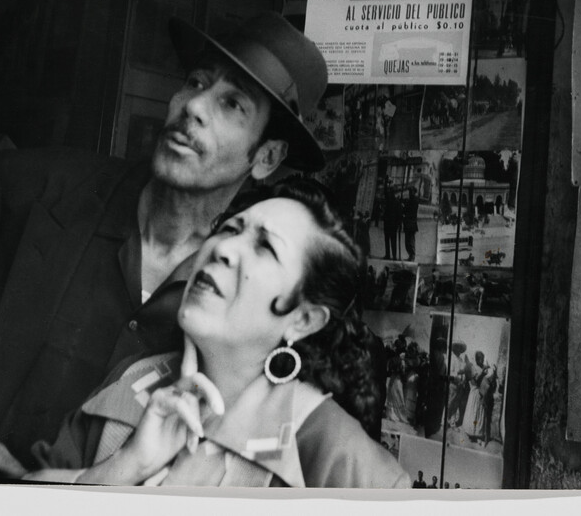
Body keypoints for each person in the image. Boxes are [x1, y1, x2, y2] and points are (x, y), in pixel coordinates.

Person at [0, 12, 330, 478]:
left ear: (266, 158)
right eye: (195, 82)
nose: (194, 107)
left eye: (232, 104)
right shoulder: (28, 187)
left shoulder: (235, 296)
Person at [26, 180, 409, 488]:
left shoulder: (335, 455)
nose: (224, 248)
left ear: (303, 319)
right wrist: (122, 469)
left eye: (265, 248)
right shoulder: (132, 381)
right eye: (229, 228)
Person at [383, 189, 402, 260]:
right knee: (388, 240)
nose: (389, 195)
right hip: (389, 224)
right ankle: (388, 255)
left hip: (392, 225)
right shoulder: (390, 202)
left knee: (392, 240)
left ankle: (393, 256)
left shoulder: (396, 202)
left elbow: (399, 214)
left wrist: (399, 223)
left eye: (390, 193)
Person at [402, 186, 419, 261]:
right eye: (409, 192)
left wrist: (404, 205)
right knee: (407, 241)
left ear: (414, 192)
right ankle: (410, 256)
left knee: (410, 241)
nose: (409, 193)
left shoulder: (413, 201)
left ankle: (412, 256)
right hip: (409, 223)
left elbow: (406, 210)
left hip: (411, 223)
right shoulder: (411, 200)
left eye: (411, 192)